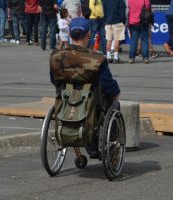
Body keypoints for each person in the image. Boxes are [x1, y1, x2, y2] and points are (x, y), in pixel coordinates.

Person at [49, 18, 120, 157]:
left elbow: (54, 80)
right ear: (88, 35)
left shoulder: (56, 57)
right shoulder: (97, 60)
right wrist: (115, 95)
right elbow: (108, 85)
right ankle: (103, 147)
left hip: (65, 100)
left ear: (69, 35)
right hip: (91, 103)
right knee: (114, 104)